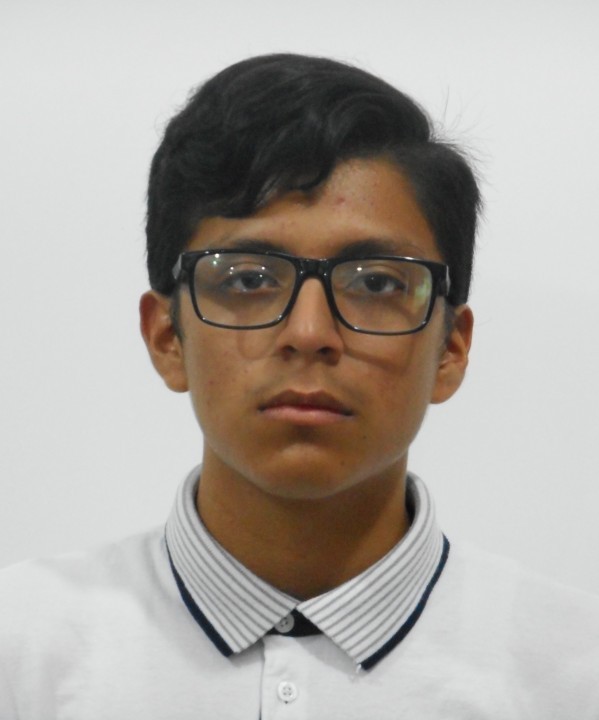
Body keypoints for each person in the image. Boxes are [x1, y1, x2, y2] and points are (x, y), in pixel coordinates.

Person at [1, 53, 598, 719]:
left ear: (450, 350)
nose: (309, 333)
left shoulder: (573, 674)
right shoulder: (22, 651)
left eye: (376, 282)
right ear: (167, 336)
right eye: (249, 279)